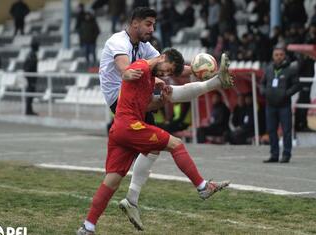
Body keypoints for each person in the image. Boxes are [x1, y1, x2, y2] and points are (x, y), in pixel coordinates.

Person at [98, 7, 234, 231]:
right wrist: (131, 74)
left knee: (152, 147)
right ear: (134, 23)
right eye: (148, 24)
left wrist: (203, 71)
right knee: (169, 140)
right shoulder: (118, 42)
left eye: (153, 24)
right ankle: (200, 186)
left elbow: (171, 67)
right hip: (122, 99)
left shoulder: (143, 46)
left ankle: (126, 202)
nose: (152, 29)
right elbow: (124, 67)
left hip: (133, 96)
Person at [77, 48, 230, 235]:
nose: (165, 74)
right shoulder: (141, 66)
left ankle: (88, 226)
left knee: (112, 181)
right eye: (167, 69)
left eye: (169, 73)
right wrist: (126, 72)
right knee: (176, 144)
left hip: (120, 130)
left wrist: (161, 101)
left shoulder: (149, 78)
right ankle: (202, 187)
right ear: (162, 57)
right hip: (130, 126)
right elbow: (130, 71)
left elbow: (146, 105)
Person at [261, 47, 300, 163]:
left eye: (281, 55)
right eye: (276, 54)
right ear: (273, 56)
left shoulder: (291, 69)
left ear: (285, 56)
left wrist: (286, 94)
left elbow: (297, 85)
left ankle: (286, 154)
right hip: (270, 105)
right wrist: (264, 92)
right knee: (271, 130)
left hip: (284, 105)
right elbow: (262, 83)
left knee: (286, 130)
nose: (279, 57)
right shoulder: (268, 69)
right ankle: (274, 154)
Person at [23, 41, 39, 115]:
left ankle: (29, 110)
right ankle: (28, 110)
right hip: (31, 77)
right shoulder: (32, 55)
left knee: (30, 94)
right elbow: (30, 66)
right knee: (30, 94)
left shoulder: (29, 54)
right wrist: (30, 76)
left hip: (30, 76)